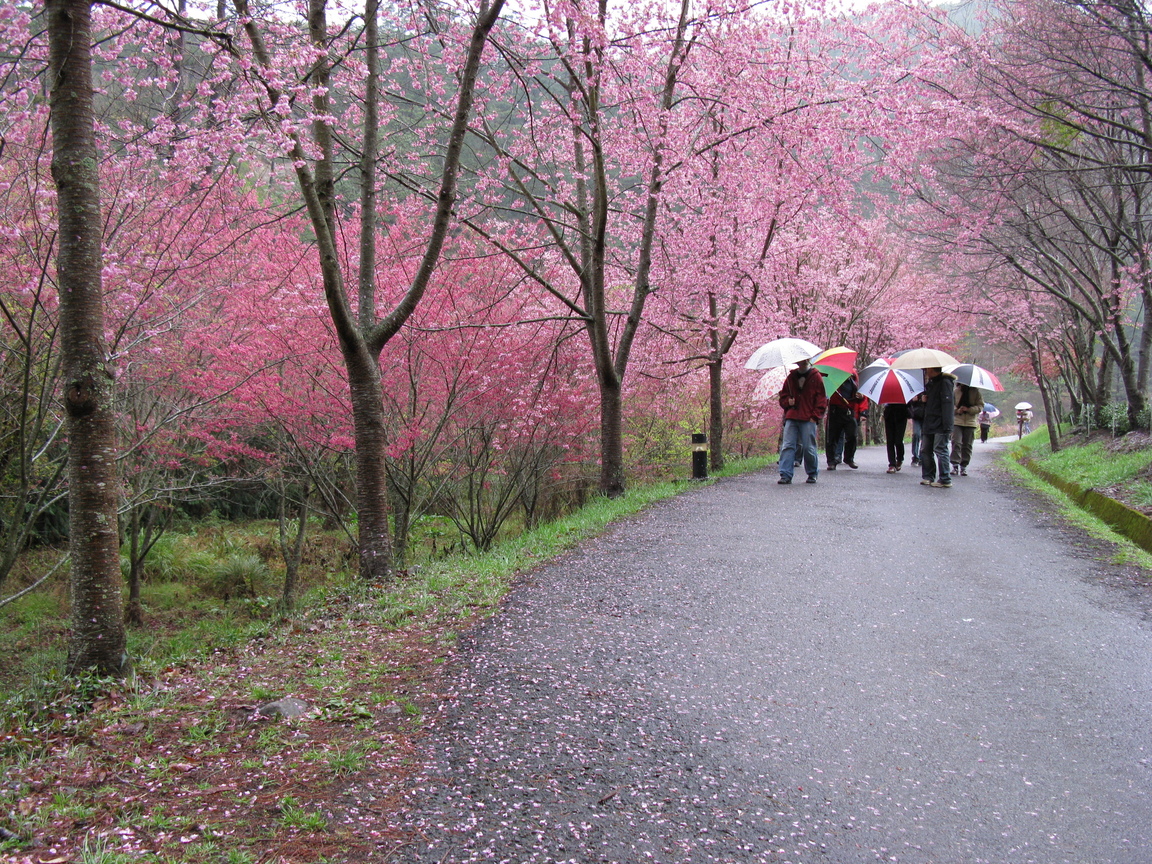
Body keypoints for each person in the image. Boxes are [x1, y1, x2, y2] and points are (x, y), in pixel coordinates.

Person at [777, 358, 827, 484]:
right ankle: (785, 474)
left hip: (808, 417)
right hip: (792, 416)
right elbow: (783, 398)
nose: (803, 363)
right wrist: (788, 402)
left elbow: (821, 399)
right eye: (801, 361)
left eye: (805, 361)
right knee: (787, 446)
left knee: (808, 447)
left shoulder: (816, 377)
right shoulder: (791, 378)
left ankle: (812, 473)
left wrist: (815, 416)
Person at [919, 367, 956, 488]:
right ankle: (928, 476)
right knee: (925, 449)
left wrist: (947, 425)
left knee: (940, 449)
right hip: (929, 421)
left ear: (932, 369)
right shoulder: (930, 384)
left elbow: (947, 405)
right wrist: (924, 400)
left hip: (941, 422)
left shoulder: (945, 382)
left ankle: (945, 478)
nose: (925, 371)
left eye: (927, 369)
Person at [825, 375, 863, 470]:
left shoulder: (853, 381)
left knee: (852, 435)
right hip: (835, 411)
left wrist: (860, 397)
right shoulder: (832, 380)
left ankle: (849, 458)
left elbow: (858, 399)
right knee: (832, 437)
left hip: (849, 411)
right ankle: (831, 461)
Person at [951, 383, 984, 477]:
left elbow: (980, 406)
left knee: (967, 445)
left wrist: (969, 409)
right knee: (956, 442)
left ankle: (964, 466)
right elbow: (950, 405)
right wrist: (957, 410)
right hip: (957, 421)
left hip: (970, 422)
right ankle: (955, 465)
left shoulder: (976, 392)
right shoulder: (956, 391)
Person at [882, 401, 910, 473]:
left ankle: (900, 459)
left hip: (901, 414)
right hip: (889, 414)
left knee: (898, 441)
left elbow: (909, 402)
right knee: (890, 441)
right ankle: (892, 464)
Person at [908, 392, 926, 466]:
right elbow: (908, 402)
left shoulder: (929, 389)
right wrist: (913, 401)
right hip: (916, 415)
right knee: (916, 434)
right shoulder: (915, 389)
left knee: (925, 437)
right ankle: (915, 457)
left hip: (926, 415)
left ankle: (922, 457)